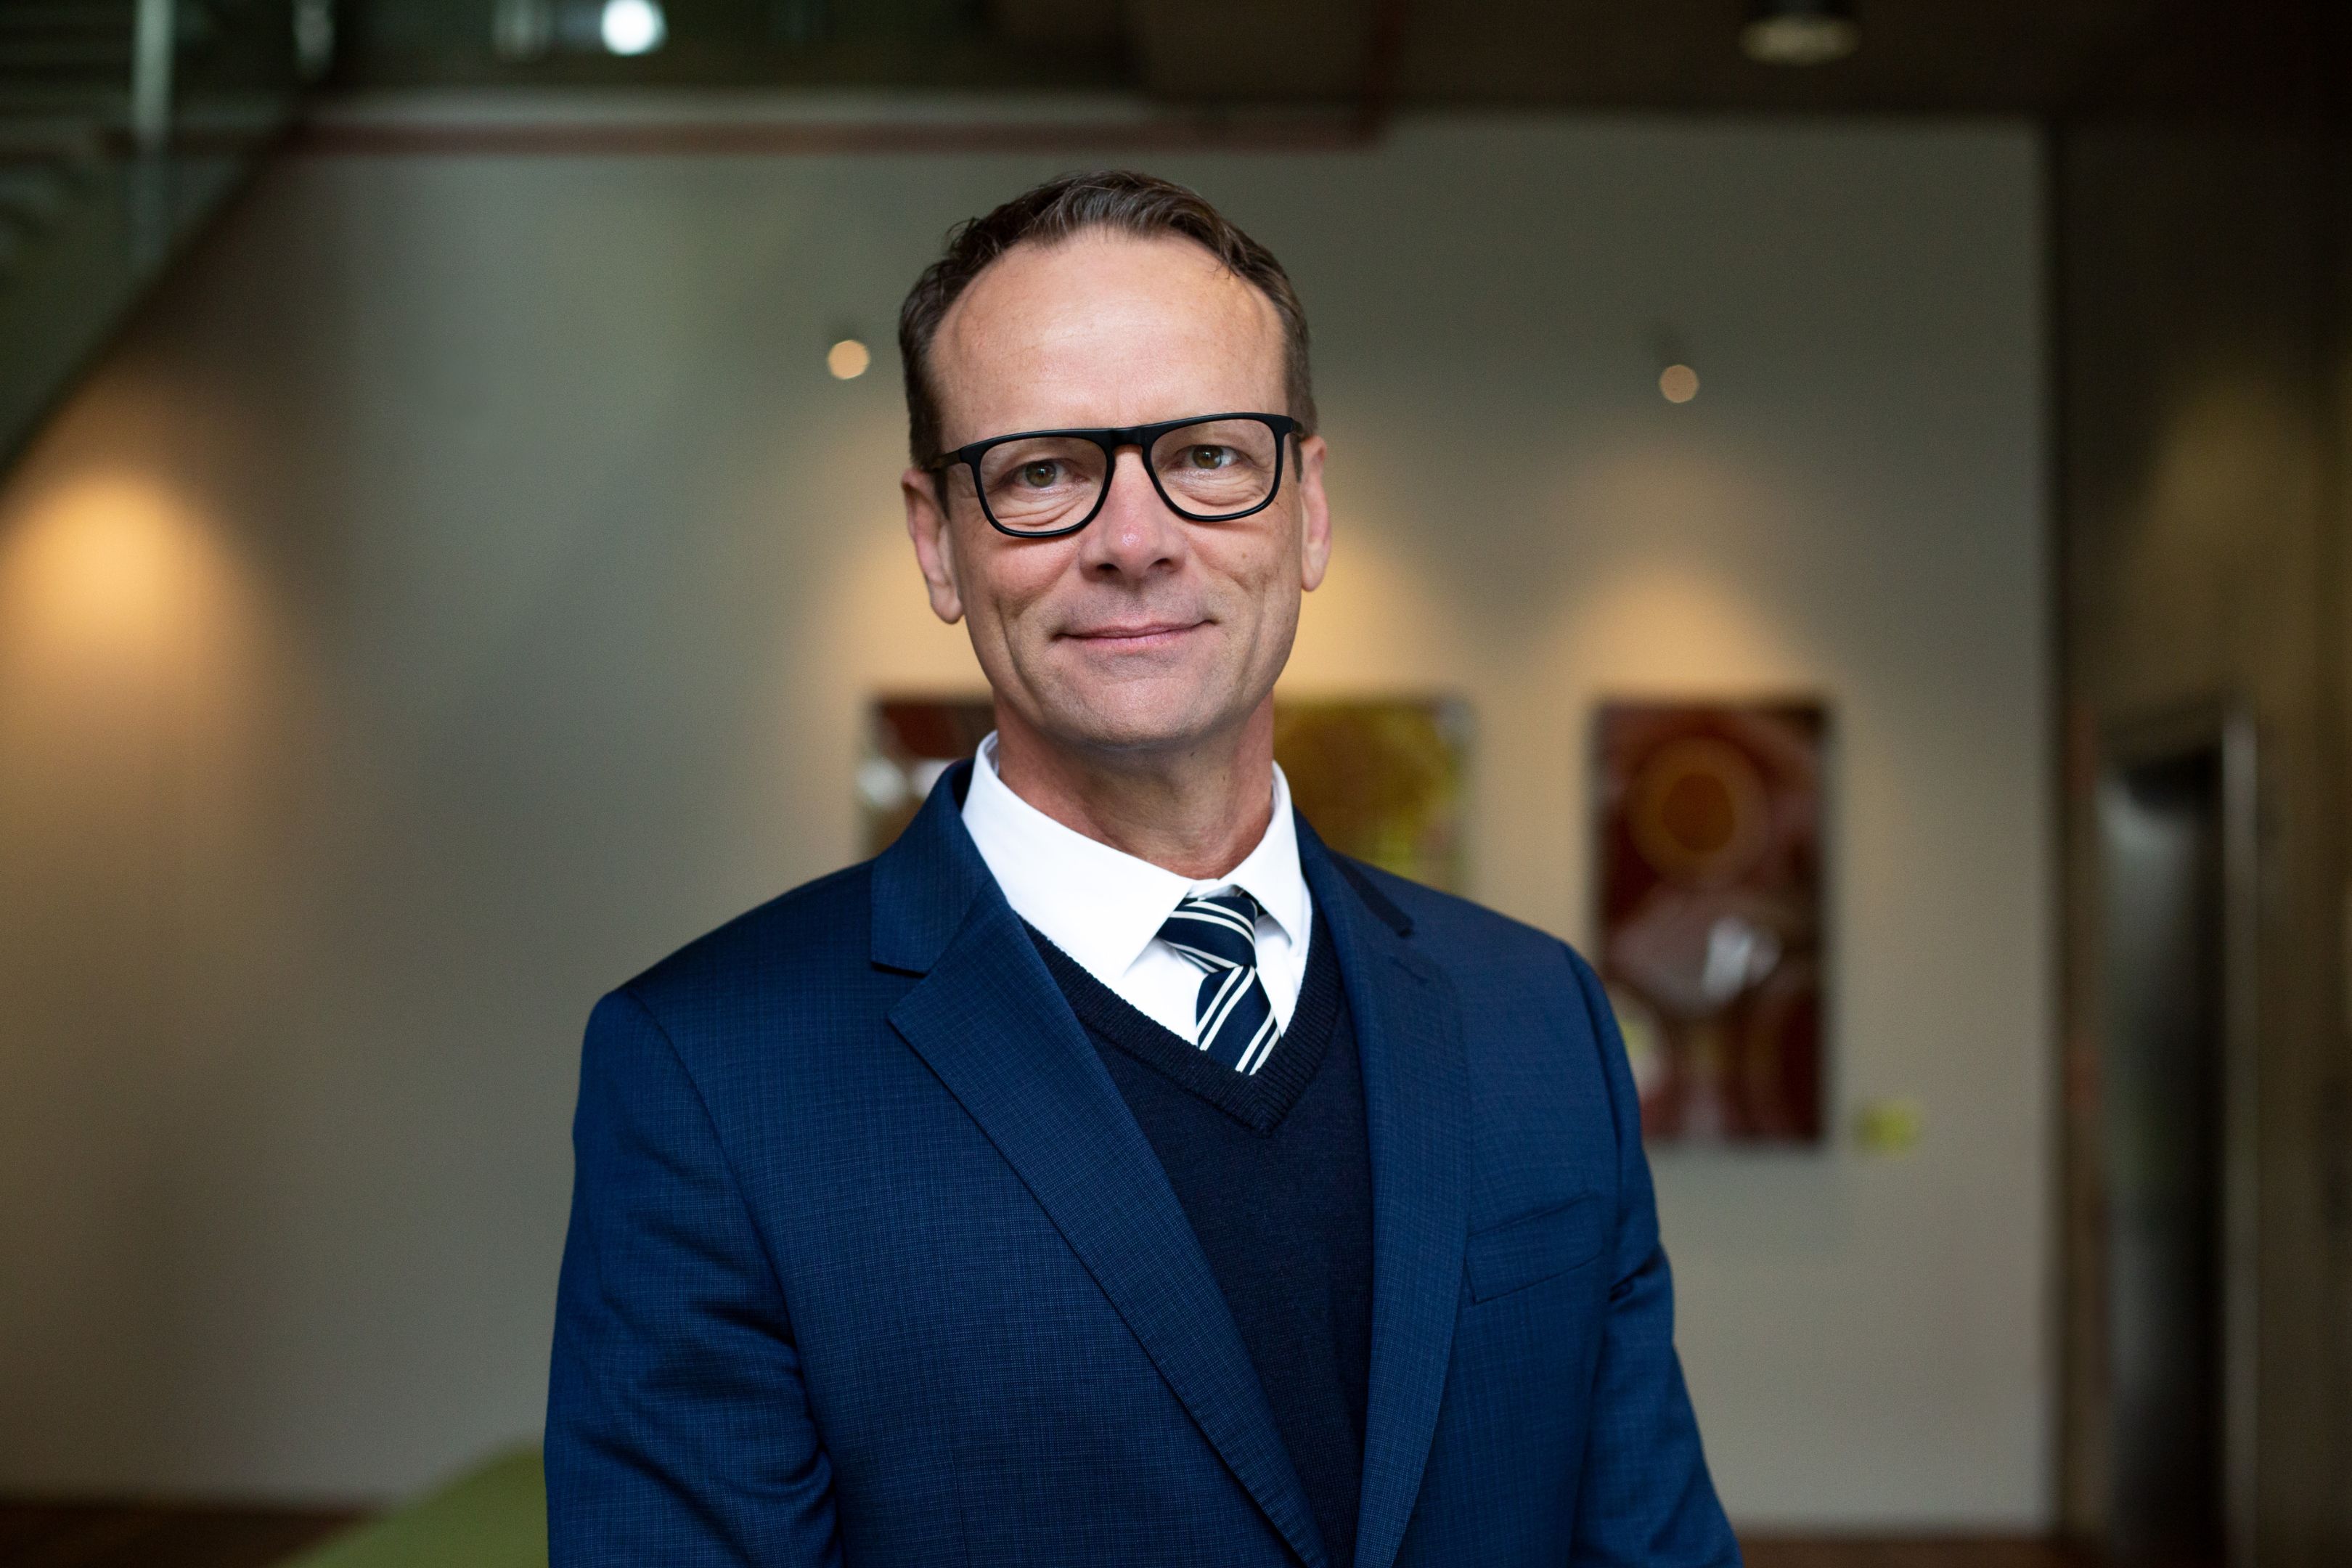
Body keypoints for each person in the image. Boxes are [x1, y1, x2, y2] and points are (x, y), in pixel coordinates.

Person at [546, 169, 1738, 1568]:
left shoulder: (1537, 1019)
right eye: (1042, 470)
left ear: (1309, 512)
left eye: (1212, 456)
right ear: (939, 539)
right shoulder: (709, 1078)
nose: (1133, 539)